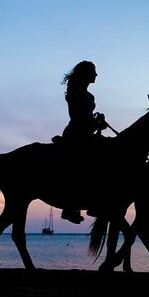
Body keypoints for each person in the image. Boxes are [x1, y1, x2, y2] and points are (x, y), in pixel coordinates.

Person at [59, 60, 107, 224]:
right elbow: (77, 116)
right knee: (81, 164)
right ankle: (70, 207)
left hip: (87, 133)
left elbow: (86, 116)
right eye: (93, 71)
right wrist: (93, 123)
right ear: (85, 73)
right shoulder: (74, 91)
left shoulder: (89, 95)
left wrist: (97, 120)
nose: (96, 75)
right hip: (76, 134)